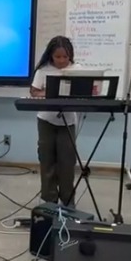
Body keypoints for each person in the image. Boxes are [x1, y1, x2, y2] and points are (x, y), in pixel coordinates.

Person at [29, 36, 81, 206]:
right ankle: (49, 199)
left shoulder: (77, 69)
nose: (61, 60)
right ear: (51, 55)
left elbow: (84, 91)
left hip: (68, 122)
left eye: (65, 57)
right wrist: (50, 93)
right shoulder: (43, 70)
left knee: (67, 161)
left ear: (70, 55)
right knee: (47, 160)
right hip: (46, 120)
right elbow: (34, 92)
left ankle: (68, 200)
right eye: (57, 57)